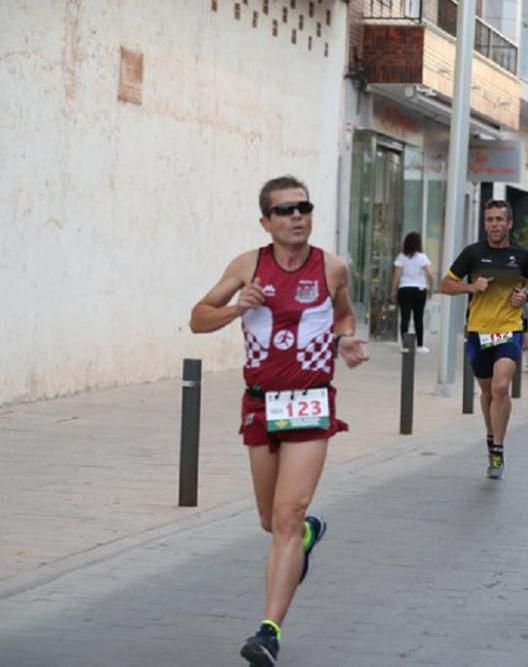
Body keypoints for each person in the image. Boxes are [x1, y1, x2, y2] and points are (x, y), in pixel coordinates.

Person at [189, 176, 369, 666]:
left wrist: (346, 339)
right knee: (272, 520)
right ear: (266, 221)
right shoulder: (247, 265)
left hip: (310, 403)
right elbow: (197, 317)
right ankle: (307, 534)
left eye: (303, 208)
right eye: (285, 210)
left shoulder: (332, 267)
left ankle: (268, 631)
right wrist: (233, 308)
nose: (297, 216)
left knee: (286, 516)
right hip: (261, 404)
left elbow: (344, 315)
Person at [440, 199, 528, 479]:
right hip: (479, 332)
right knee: (486, 393)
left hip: (509, 329)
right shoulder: (473, 254)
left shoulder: (521, 256)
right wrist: (472, 286)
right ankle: (490, 434)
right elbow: (445, 284)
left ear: (509, 223)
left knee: (500, 387)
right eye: (490, 220)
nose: (494, 224)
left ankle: (498, 449)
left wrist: (527, 296)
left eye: (499, 219)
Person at [391, 231, 435, 353]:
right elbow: (431, 274)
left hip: (404, 289)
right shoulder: (422, 257)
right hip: (419, 289)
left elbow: (396, 275)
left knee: (405, 317)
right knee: (418, 318)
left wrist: (393, 291)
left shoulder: (401, 257)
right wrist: (431, 288)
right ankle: (420, 345)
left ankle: (405, 346)